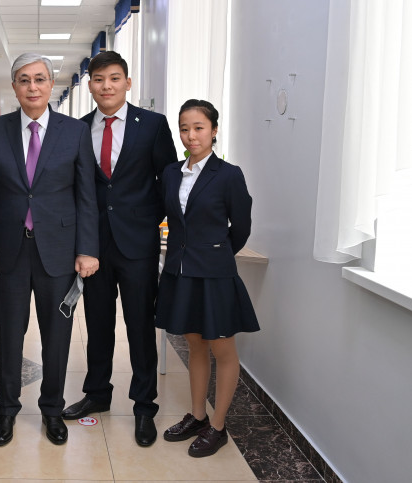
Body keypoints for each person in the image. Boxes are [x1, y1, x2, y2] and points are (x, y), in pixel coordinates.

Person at [62, 51, 178, 447]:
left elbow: (167, 180)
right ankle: (97, 393)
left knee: (140, 326)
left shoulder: (153, 125)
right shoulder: (78, 129)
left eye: (114, 78)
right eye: (99, 79)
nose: (106, 85)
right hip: (93, 246)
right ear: (90, 85)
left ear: (128, 83)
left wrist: (147, 221)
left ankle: (144, 405)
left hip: (137, 244)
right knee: (97, 324)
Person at [0, 53, 99, 446]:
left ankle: (52, 410)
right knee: (8, 335)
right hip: (9, 251)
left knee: (57, 335)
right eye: (24, 80)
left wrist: (87, 249)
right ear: (14, 86)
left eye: (39, 79)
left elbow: (86, 195)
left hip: (59, 251)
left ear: (51, 84)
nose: (32, 87)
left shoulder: (75, 131)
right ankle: (7, 409)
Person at [156, 99, 259, 457]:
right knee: (194, 344)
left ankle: (218, 426)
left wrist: (216, 253)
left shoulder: (229, 174)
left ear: (214, 131)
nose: (191, 135)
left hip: (214, 274)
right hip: (181, 272)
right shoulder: (172, 173)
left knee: (222, 349)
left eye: (199, 128)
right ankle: (198, 415)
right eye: (184, 128)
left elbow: (241, 228)